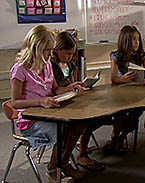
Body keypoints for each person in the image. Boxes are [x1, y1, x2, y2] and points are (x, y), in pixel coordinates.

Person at [10, 25, 86, 182]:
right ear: (35, 47)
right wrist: (40, 101)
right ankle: (53, 170)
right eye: (47, 50)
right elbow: (15, 102)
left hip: (49, 113)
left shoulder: (47, 65)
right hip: (30, 120)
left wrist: (71, 87)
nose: (50, 54)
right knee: (62, 130)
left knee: (78, 124)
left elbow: (56, 90)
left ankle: (62, 162)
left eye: (52, 50)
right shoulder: (20, 69)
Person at [51, 31, 106, 171]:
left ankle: (77, 154)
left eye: (72, 54)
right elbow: (55, 89)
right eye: (67, 54)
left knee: (91, 116)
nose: (70, 57)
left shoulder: (68, 64)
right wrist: (70, 87)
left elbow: (67, 84)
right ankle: (65, 160)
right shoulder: (50, 66)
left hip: (68, 100)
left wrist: (76, 86)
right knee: (79, 122)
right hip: (57, 105)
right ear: (56, 50)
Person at [103, 25, 145, 153]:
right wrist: (124, 79)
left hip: (138, 94)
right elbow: (113, 78)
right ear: (125, 40)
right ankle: (115, 137)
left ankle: (121, 137)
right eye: (133, 40)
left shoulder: (142, 55)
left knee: (134, 115)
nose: (137, 43)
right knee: (120, 115)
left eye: (138, 39)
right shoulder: (115, 56)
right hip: (120, 94)